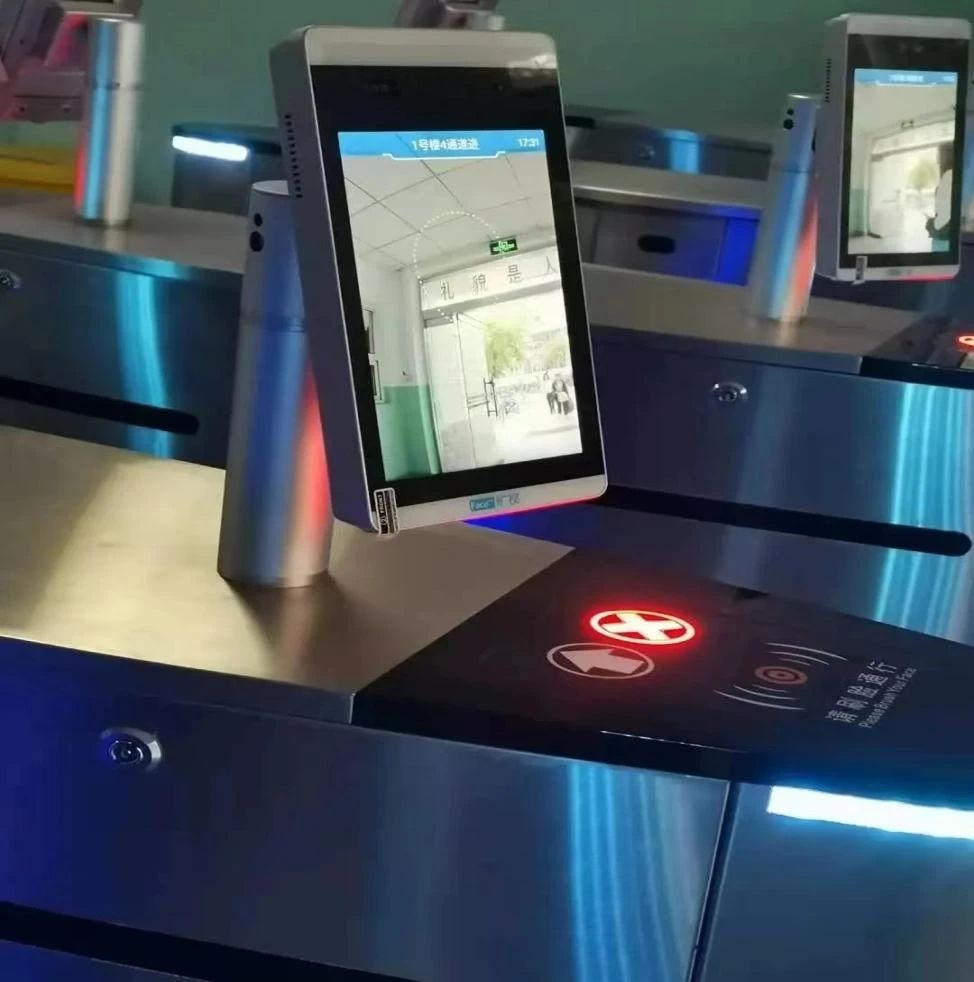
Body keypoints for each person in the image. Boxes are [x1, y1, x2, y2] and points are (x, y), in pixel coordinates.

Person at [927, 142, 954, 249]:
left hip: (944, 240)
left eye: (938, 155)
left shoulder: (948, 176)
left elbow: (944, 218)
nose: (937, 160)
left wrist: (931, 223)